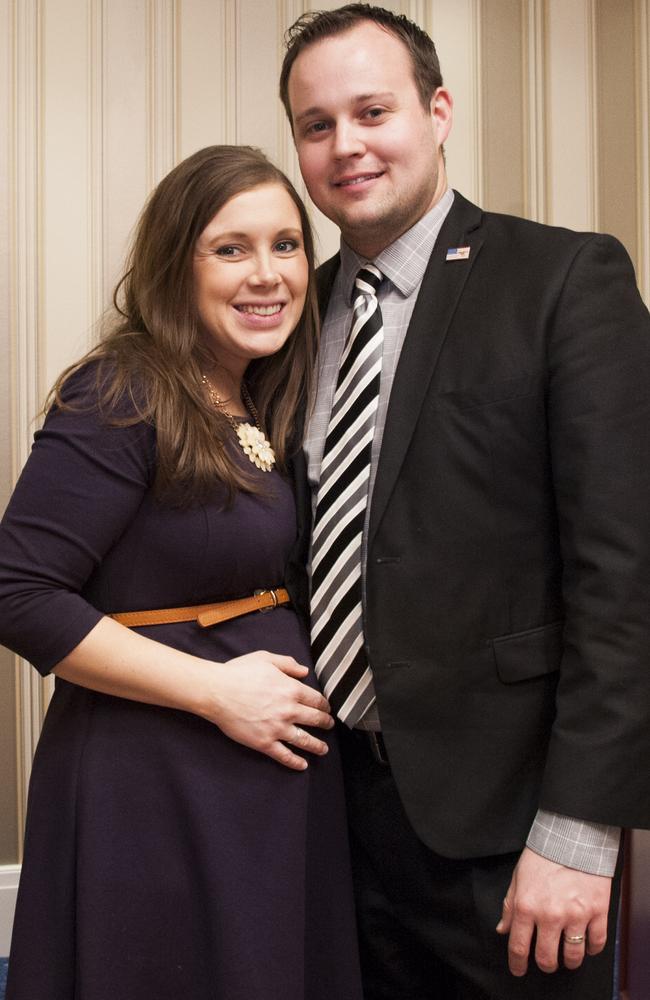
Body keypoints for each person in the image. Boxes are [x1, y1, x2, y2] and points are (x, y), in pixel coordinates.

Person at [279, 5, 650, 998]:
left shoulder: (562, 278)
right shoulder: (288, 317)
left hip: (508, 835)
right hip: (321, 818)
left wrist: (579, 834)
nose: (345, 145)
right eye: (316, 125)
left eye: (370, 110)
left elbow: (624, 575)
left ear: (436, 110)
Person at [0, 145, 362, 1000]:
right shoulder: (122, 389)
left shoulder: (259, 397)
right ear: (176, 265)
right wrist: (216, 692)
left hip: (254, 795)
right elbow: (17, 591)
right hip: (156, 786)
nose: (267, 274)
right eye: (230, 249)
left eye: (286, 245)